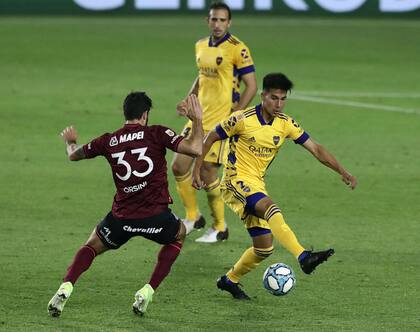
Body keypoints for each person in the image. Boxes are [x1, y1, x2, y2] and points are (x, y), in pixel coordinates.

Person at [192, 73, 357, 299]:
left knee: (263, 248)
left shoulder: (285, 124)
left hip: (256, 184)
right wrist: (196, 170)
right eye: (274, 98)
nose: (278, 104)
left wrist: (342, 171)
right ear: (263, 96)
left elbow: (316, 149)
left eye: (283, 99)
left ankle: (229, 280)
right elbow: (210, 137)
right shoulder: (242, 119)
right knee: (270, 207)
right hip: (234, 182)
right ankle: (303, 257)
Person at [47, 92, 203, 316]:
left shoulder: (108, 140)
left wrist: (71, 141)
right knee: (179, 234)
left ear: (126, 113)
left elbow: (73, 155)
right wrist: (197, 120)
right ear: (145, 114)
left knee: (91, 245)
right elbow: (196, 148)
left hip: (121, 219)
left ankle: (66, 285)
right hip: (156, 218)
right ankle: (147, 291)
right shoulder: (158, 133)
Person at [172, 1, 258, 243]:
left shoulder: (237, 48)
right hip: (198, 118)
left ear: (229, 22)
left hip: (220, 122)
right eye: (214, 19)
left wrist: (236, 115)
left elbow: (252, 85)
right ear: (207, 21)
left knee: (208, 172)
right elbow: (201, 78)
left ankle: (220, 227)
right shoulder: (200, 45)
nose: (218, 24)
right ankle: (193, 217)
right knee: (178, 167)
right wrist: (188, 100)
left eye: (222, 20)